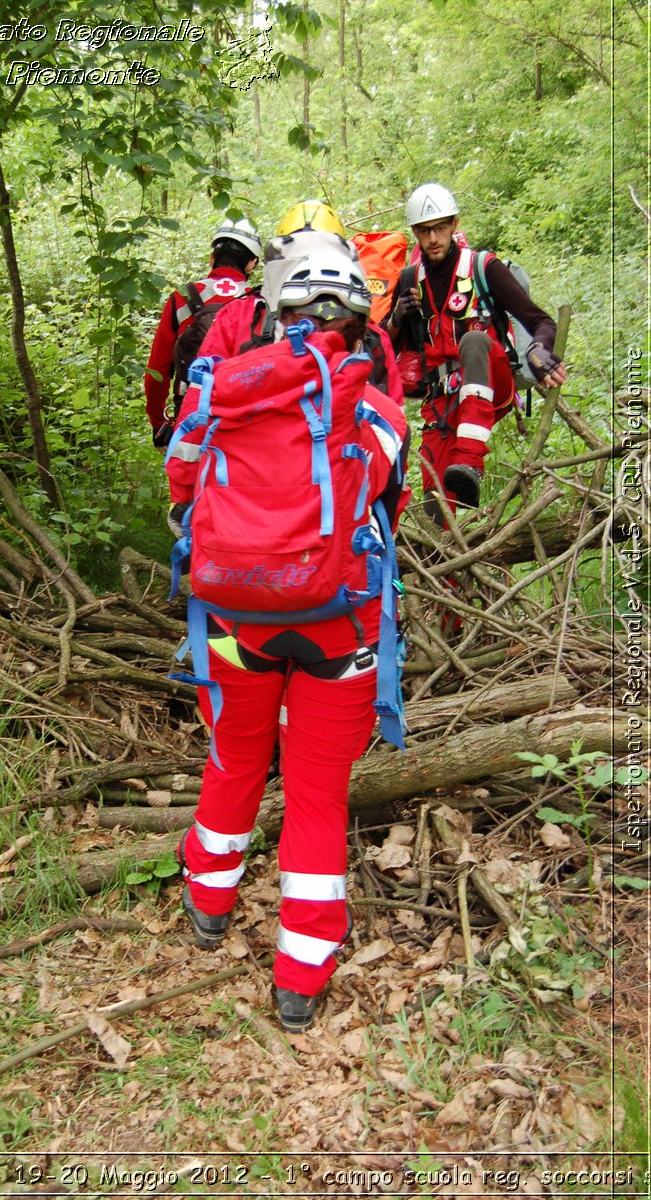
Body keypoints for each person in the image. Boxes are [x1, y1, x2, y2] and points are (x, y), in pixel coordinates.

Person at [166, 252, 408, 1033]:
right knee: (314, 793)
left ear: (273, 315)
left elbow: (180, 488)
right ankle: (300, 974)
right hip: (340, 628)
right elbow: (386, 510)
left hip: (239, 627)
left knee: (236, 756)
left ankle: (208, 903)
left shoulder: (221, 393)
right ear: (359, 325)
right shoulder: (377, 410)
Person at [385, 183, 567, 522]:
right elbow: (381, 347)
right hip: (441, 407)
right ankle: (452, 568)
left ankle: (471, 460)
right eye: (425, 231)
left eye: (440, 227)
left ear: (454, 225)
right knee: (440, 511)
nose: (434, 238)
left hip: (490, 379)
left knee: (473, 340)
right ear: (415, 233)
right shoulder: (410, 279)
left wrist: (539, 349)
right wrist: (397, 317)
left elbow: (539, 320)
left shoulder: (484, 268)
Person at [199, 200, 405, 410]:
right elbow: (392, 419)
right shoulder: (367, 332)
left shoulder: (238, 314)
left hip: (249, 437)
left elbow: (203, 392)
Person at [144, 217, 261, 447]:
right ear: (251, 264)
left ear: (212, 258)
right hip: (243, 419)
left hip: (189, 412)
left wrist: (158, 423)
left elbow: (157, 370)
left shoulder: (183, 297)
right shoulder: (260, 302)